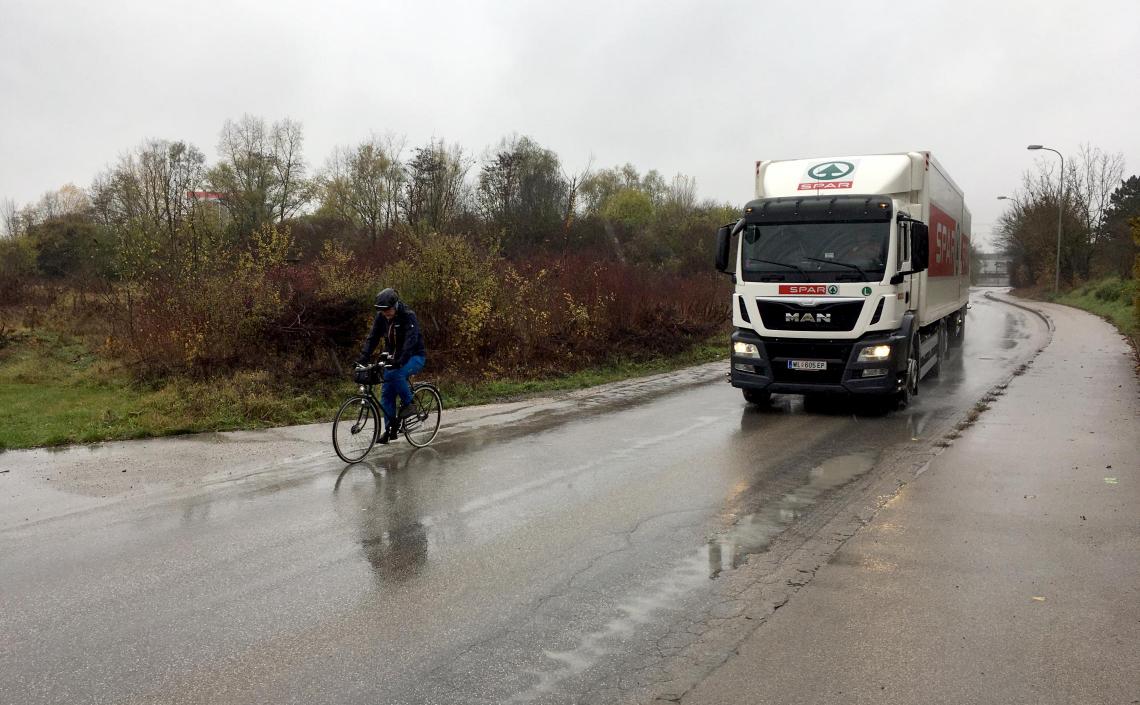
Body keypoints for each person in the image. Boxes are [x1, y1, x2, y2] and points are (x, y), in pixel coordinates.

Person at [356, 288, 427, 444]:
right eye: (382, 311)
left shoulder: (408, 316)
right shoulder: (381, 317)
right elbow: (373, 338)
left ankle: (410, 405)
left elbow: (411, 341)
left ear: (395, 305)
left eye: (388, 310)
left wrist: (401, 360)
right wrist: (363, 358)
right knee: (386, 394)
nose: (385, 314)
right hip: (393, 357)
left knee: (397, 374)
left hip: (415, 356)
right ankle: (390, 430)